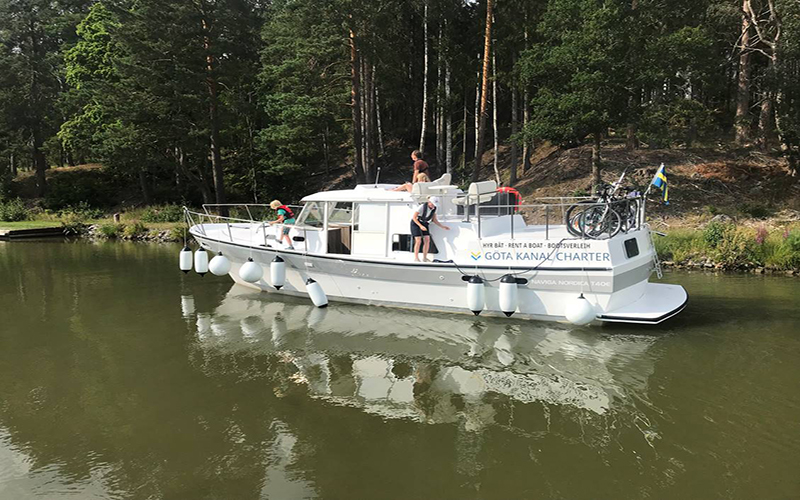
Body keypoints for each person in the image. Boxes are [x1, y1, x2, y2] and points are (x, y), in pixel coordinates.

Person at [411, 196, 449, 262]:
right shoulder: (422, 207)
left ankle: (424, 257)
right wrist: (420, 226)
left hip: (425, 223)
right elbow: (414, 217)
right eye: (432, 204)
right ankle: (416, 257)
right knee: (418, 240)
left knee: (427, 239)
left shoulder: (434, 209)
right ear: (429, 202)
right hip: (416, 223)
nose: (433, 206)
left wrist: (442, 226)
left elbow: (434, 220)